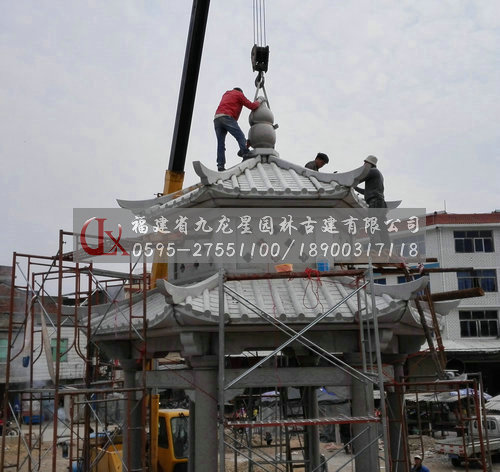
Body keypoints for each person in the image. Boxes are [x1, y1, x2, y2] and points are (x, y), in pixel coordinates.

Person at [214, 87, 262, 171]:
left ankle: (220, 165)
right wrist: (259, 101)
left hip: (217, 118)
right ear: (241, 92)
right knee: (240, 136)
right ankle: (245, 153)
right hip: (227, 116)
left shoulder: (226, 93)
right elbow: (252, 106)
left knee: (220, 144)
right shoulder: (239, 94)